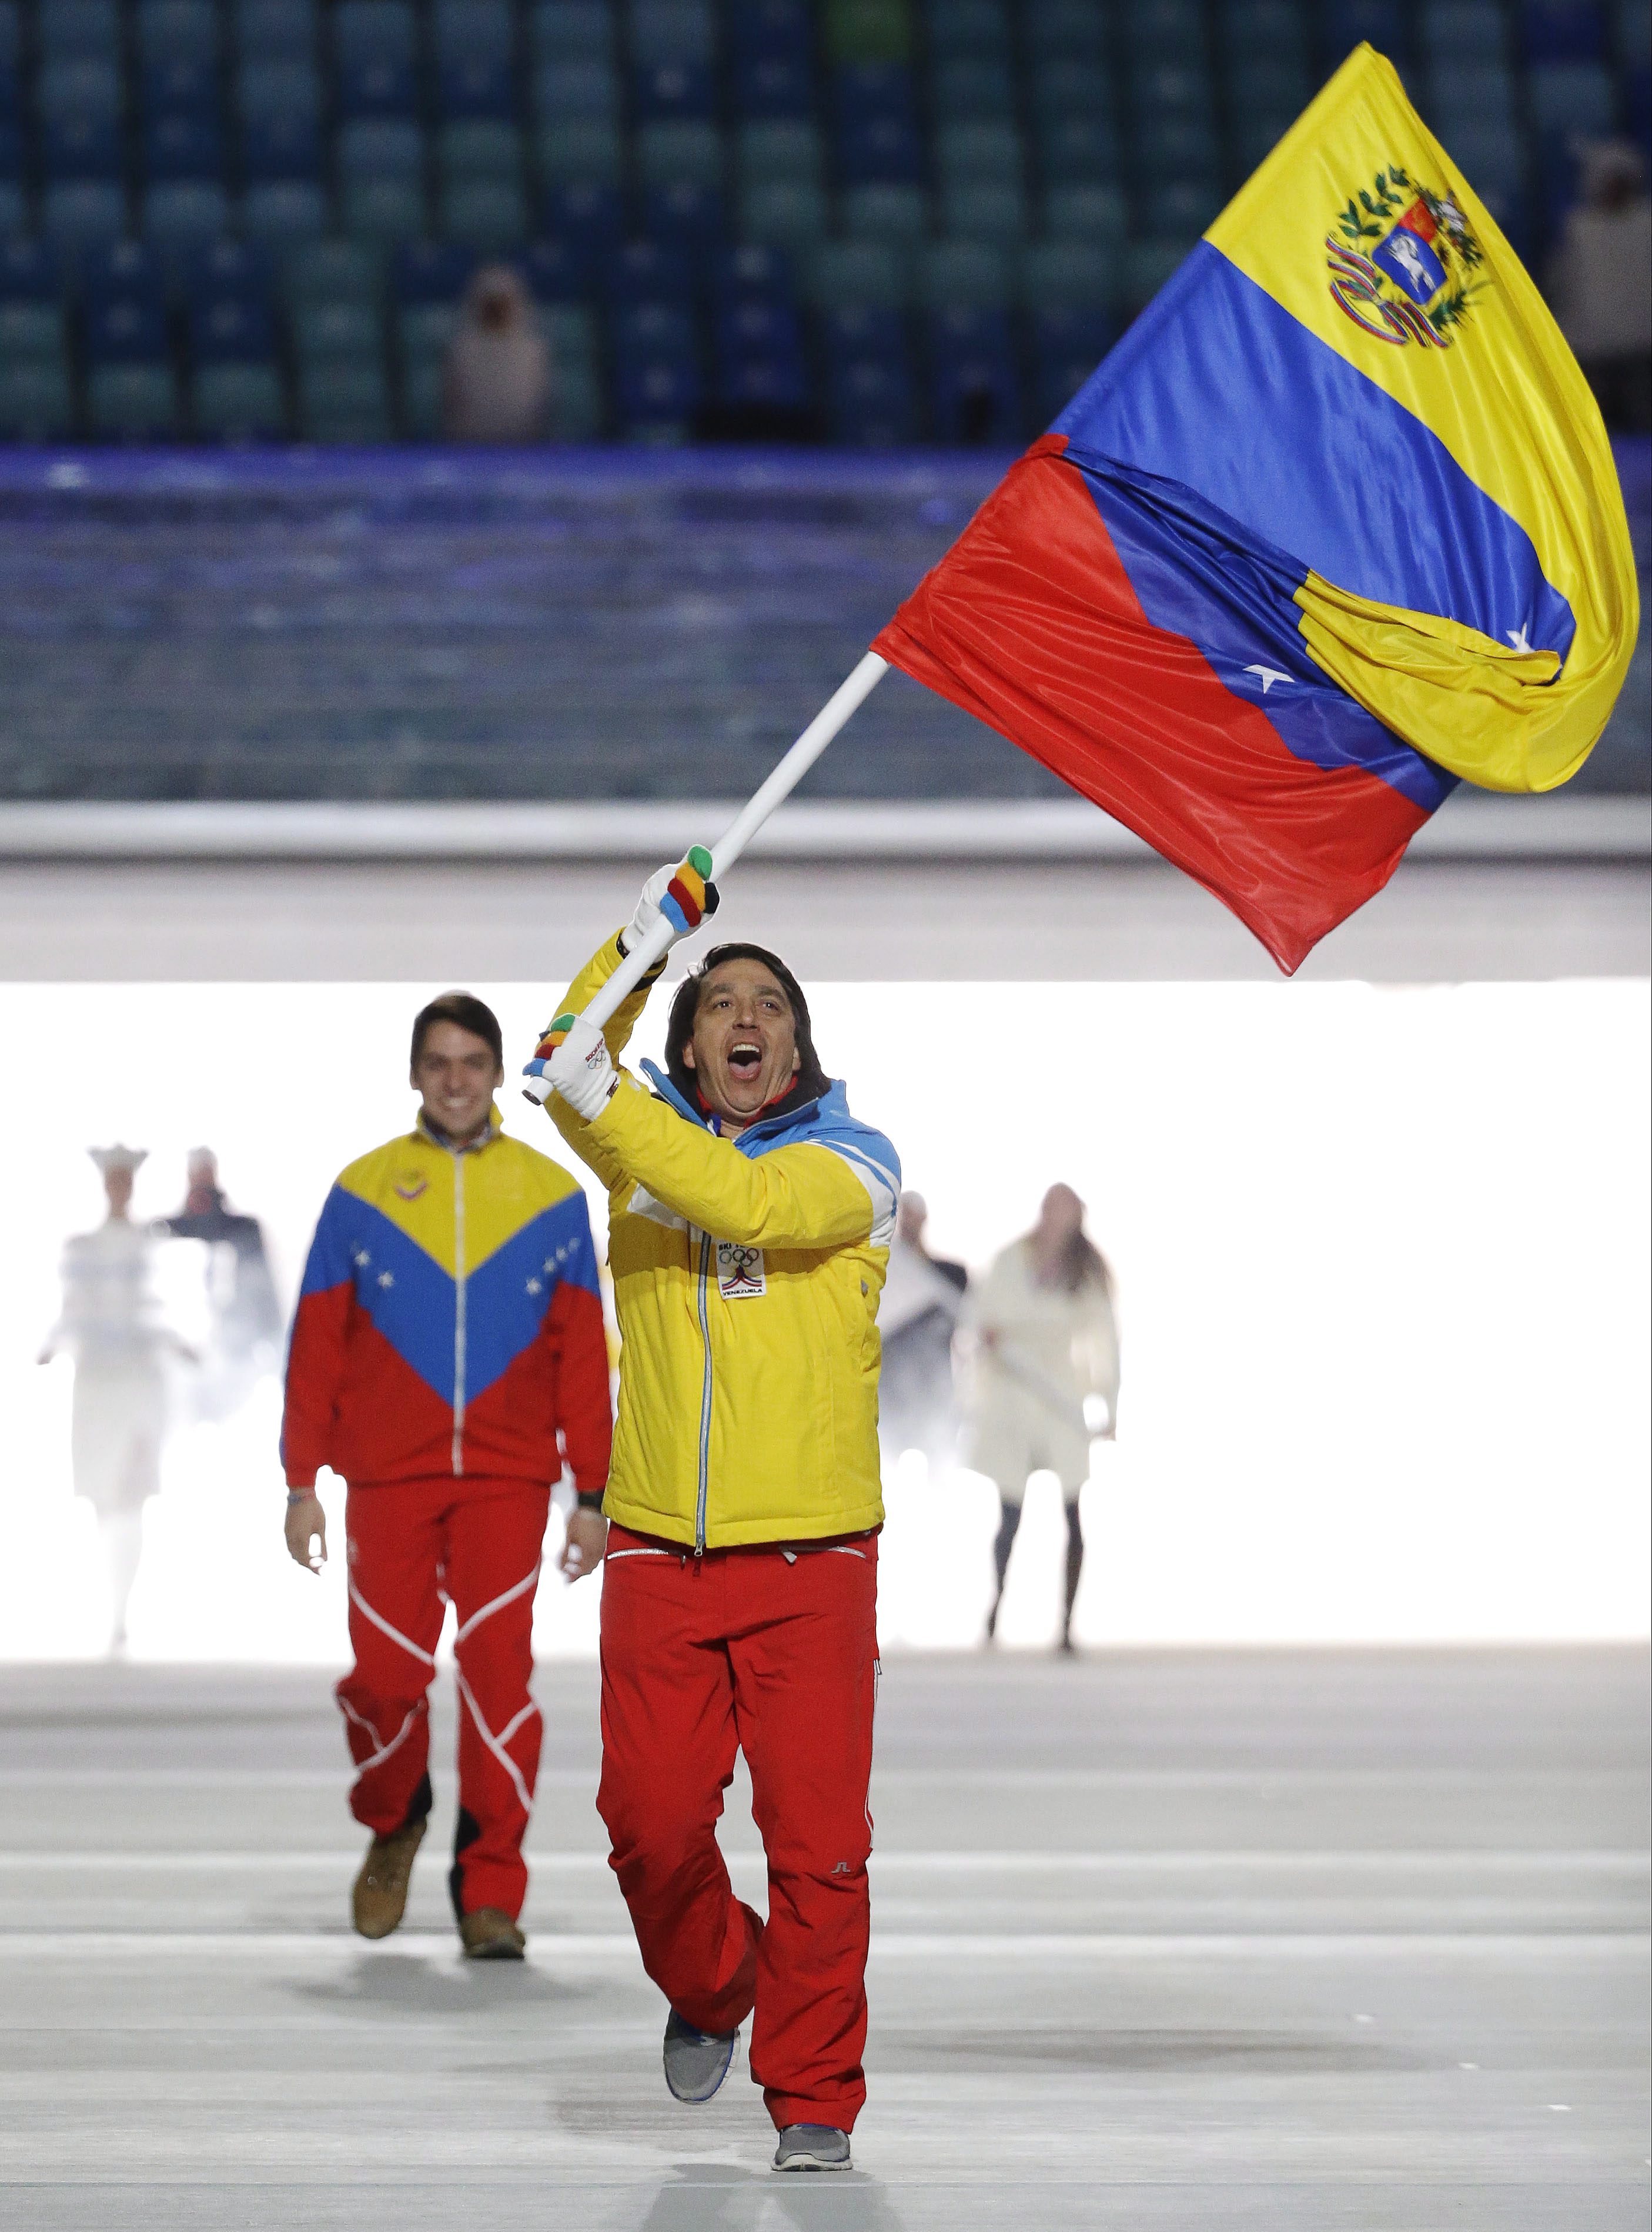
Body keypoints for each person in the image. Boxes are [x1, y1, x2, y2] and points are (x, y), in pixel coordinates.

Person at [533, 866, 900, 2174]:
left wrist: (597, 1089)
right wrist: (646, 935)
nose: (748, 1021)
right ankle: (716, 1980)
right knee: (646, 1821)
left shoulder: (853, 1166)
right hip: (657, 1555)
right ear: (689, 1041)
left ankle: (814, 2093)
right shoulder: (637, 1155)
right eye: (720, 1004)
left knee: (818, 1849)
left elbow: (738, 1201)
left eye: (771, 1008)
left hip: (813, 1558)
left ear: (796, 1044)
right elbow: (570, 1051)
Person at [281, 992, 611, 1960]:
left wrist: (593, 1495)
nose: (458, 1079)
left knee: (499, 1679)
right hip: (386, 1479)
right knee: (385, 1681)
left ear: (499, 1071)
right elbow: (317, 1347)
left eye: (474, 1061)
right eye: (440, 1062)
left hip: (510, 1481)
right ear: (417, 1074)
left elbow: (584, 1359)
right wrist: (301, 1480)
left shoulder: (551, 1197)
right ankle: (396, 1816)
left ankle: (491, 1889)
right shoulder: (362, 1192)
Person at [38, 1146, 195, 1656]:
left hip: (140, 1382)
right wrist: (53, 1344)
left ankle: (122, 1613)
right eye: (114, 1180)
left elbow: (165, 1311)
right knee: (105, 1497)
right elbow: (72, 1308)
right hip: (97, 1382)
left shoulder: (154, 1246)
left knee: (132, 1490)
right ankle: (112, 1606)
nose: (120, 1188)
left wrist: (179, 1343)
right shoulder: (81, 1248)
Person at [962, 1184, 1120, 1655]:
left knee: (1073, 1513)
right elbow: (981, 1316)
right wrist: (988, 1338)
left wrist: (1108, 1405)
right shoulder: (1011, 1260)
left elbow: (1106, 1341)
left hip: (1060, 1396)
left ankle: (1067, 1625)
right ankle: (993, 1616)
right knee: (1009, 1514)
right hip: (1013, 1394)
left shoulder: (1086, 1274)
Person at [155, 1147, 282, 1423]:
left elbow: (265, 1292)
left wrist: (275, 1346)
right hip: (182, 1361)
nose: (203, 1178)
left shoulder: (244, 1230)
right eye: (198, 1172)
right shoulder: (167, 1232)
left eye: (207, 1171)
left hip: (236, 1354)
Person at [1548, 142, 1652, 435]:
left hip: (1643, 348)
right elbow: (1560, 284)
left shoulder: (1647, 223)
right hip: (1593, 351)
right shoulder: (1578, 229)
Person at [876, 1190, 967, 1475]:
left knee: (940, 1471)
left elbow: (970, 1329)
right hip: (891, 1391)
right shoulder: (882, 1273)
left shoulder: (951, 1276)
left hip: (935, 1390)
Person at [442, 263, 553, 443]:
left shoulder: (534, 351)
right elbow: (451, 408)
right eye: (491, 305)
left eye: (502, 305)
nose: (496, 312)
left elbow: (541, 408)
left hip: (526, 451)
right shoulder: (461, 350)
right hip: (470, 450)